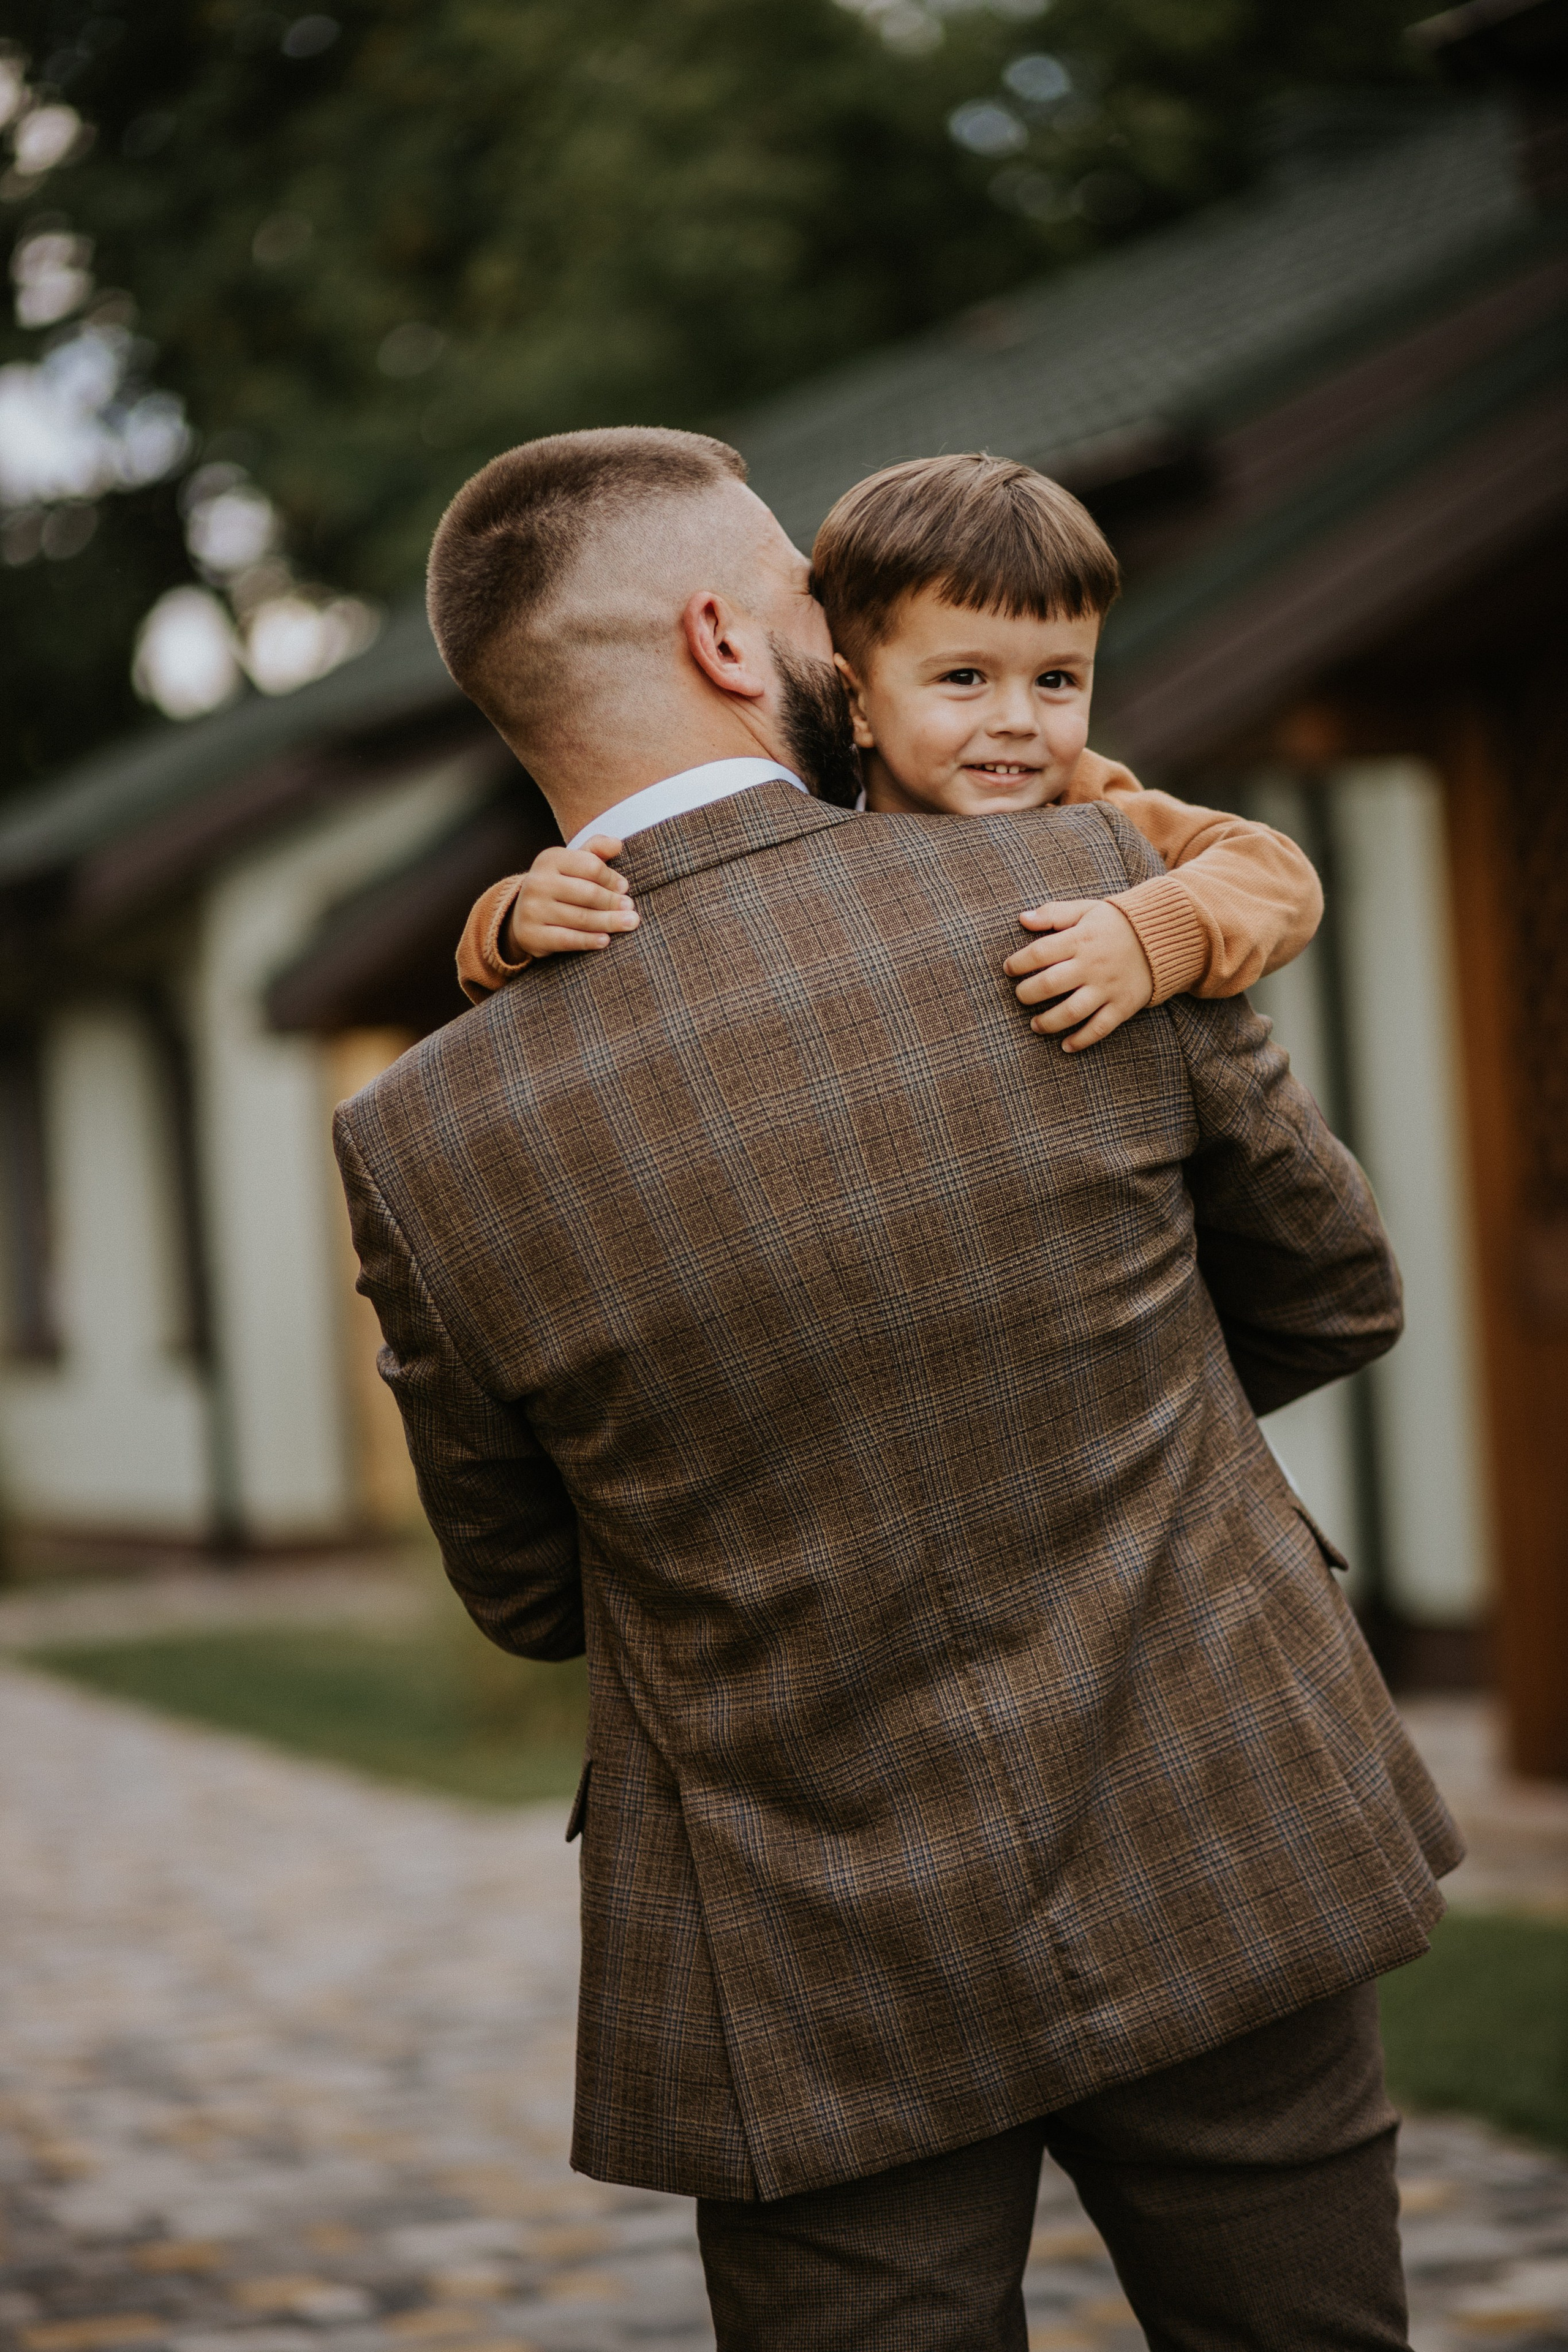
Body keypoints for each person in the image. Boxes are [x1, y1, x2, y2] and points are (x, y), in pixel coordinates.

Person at [334, 424, 1460, 2352]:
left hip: (799, 1955)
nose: (839, 627)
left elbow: (526, 1593)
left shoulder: (423, 1134)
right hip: (1215, 1808)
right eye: (807, 591)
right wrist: (1129, 1412)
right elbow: (1334, 1298)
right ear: (723, 637)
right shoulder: (1081, 899)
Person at [449, 454, 1321, 1057]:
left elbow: (1275, 872)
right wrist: (517, 921)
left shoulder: (1090, 807)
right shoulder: (819, 801)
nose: (1018, 720)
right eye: (966, 678)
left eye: (1057, 679)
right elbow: (650, 902)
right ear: (857, 700)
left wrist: (1150, 935)